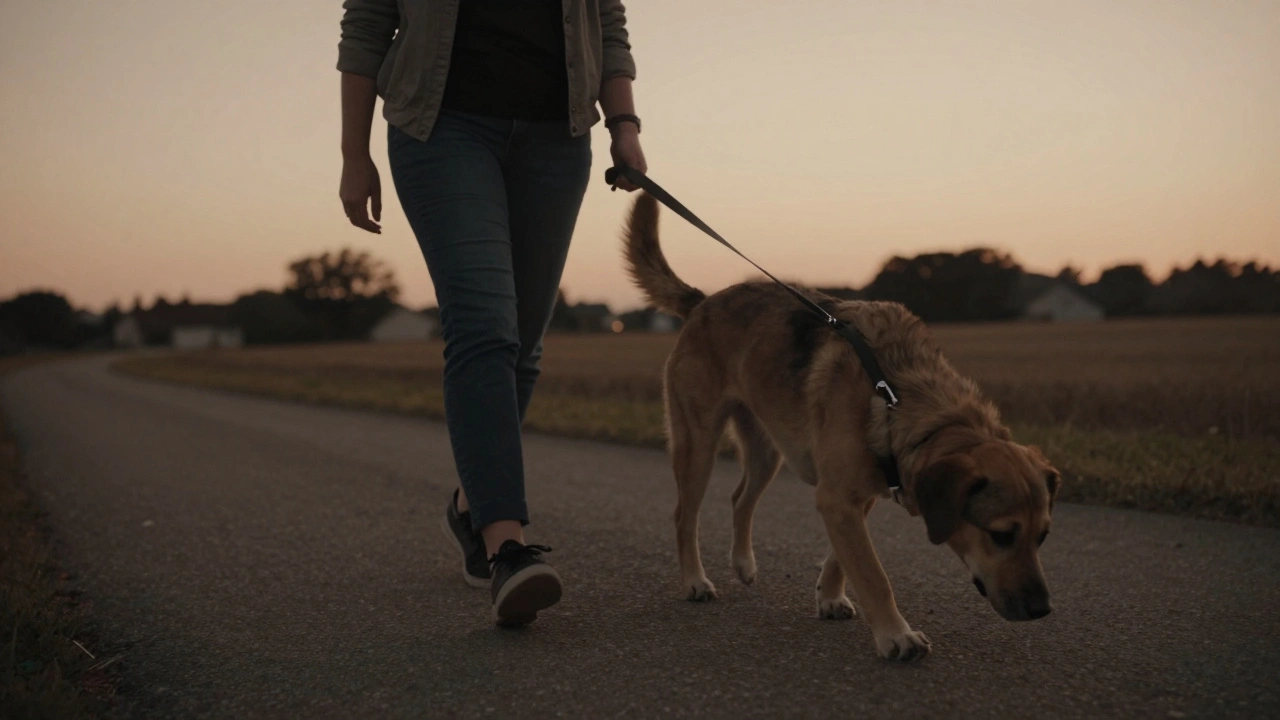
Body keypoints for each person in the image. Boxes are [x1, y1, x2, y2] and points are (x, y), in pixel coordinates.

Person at [336, 0, 646, 627]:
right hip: (442, 129)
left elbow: (606, 24)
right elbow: (367, 23)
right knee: (484, 329)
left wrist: (624, 124)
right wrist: (354, 152)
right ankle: (505, 547)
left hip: (558, 139)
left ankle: (469, 502)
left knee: (524, 343)